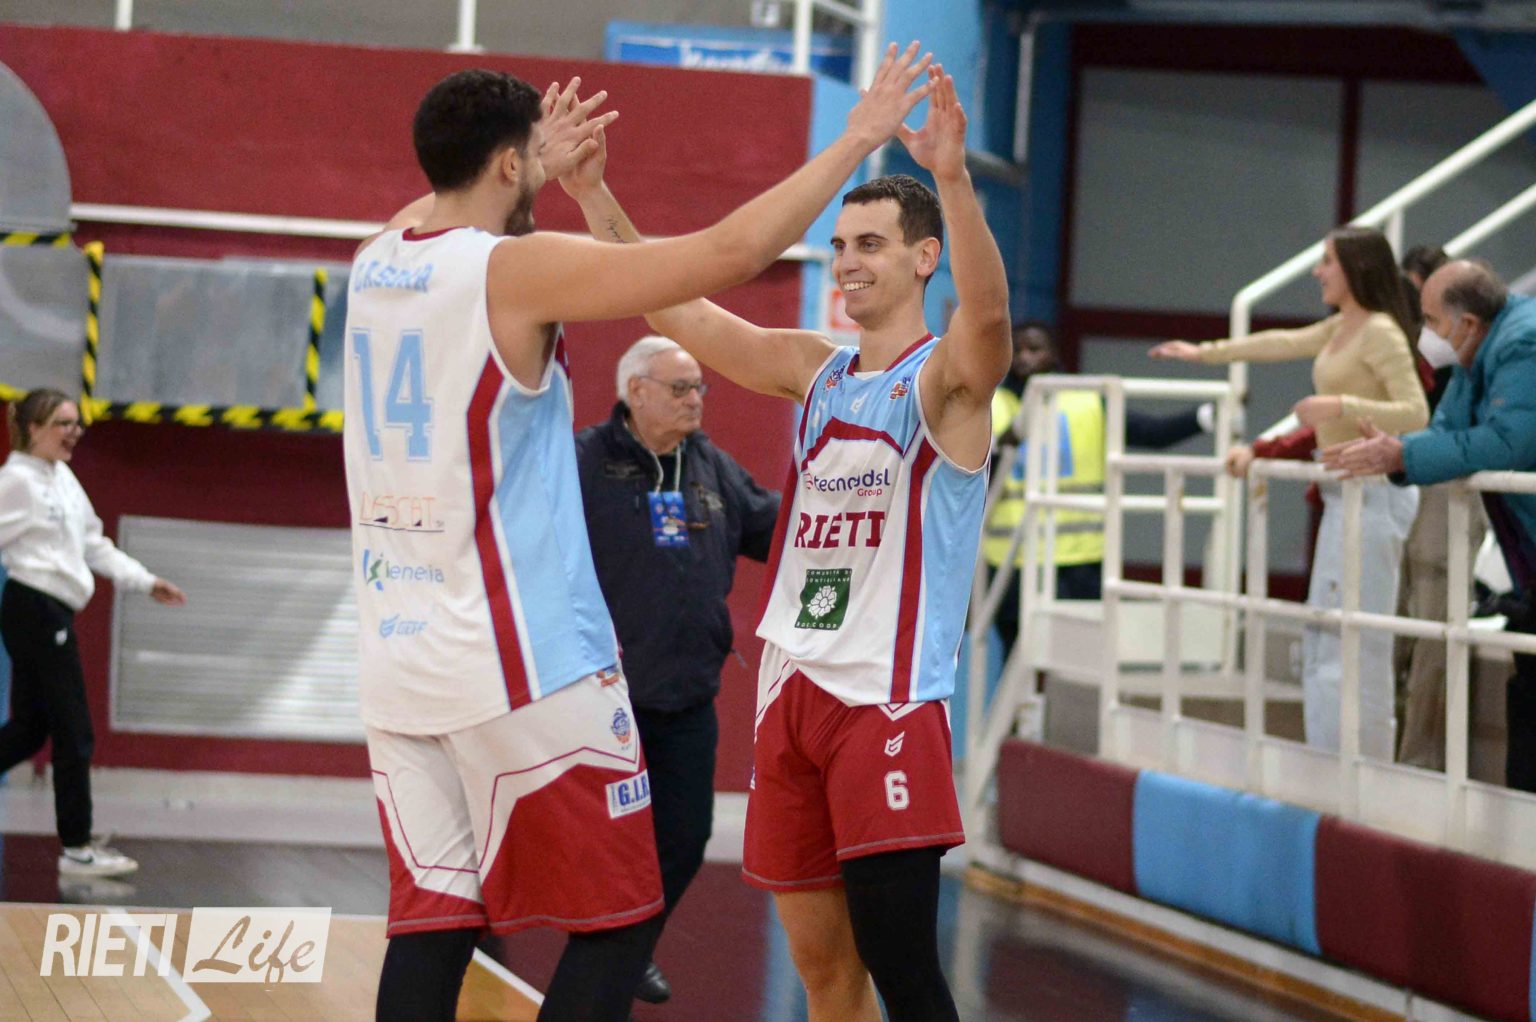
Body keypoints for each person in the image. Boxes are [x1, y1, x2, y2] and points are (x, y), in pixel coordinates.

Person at [345, 52, 935, 1022]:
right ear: (510, 163)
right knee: (624, 918)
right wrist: (858, 138)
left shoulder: (377, 257)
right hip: (522, 660)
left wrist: (542, 167)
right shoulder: (512, 268)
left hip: (397, 663)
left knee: (435, 922)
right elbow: (728, 253)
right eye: (527, 159)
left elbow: (445, 190)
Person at [566, 65, 1005, 1022]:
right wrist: (593, 192)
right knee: (822, 972)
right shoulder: (815, 369)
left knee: (904, 969)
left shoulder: (945, 385)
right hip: (790, 693)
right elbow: (676, 309)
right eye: (840, 245)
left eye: (871, 245)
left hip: (884, 699)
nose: (848, 262)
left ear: (925, 257)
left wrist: (954, 177)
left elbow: (989, 320)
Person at [1151, 225, 1429, 762]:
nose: (1318, 271)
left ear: (1356, 267)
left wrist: (1340, 406)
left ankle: (1367, 767)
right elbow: (1279, 343)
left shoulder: (1381, 333)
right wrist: (1203, 353)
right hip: (1342, 495)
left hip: (1376, 497)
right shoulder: (1341, 327)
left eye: (1327, 261)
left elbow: (1416, 413)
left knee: (1360, 643)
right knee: (1325, 634)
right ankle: (1328, 763)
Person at [575, 335, 779, 1005]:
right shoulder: (584, 461)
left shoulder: (708, 465)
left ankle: (627, 951)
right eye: (681, 388)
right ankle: (601, 961)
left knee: (686, 838)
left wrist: (843, 500)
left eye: (699, 388)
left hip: (688, 694)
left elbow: (771, 526)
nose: (696, 400)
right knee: (602, 843)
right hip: (602, 696)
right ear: (636, 392)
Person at [1324, 260, 1536, 791]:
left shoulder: (1522, 344)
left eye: (1430, 320)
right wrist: (1396, 449)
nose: (1425, 334)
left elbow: (1509, 444)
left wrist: (1404, 455)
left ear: (1468, 323)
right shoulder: (1477, 347)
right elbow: (1448, 426)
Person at [0, 388, 186, 877]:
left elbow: (93, 543)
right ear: (34, 428)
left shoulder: (62, 477)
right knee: (74, 731)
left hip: (52, 612)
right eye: (63, 423)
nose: (74, 432)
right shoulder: (16, 481)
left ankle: (77, 844)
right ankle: (77, 847)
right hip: (33, 608)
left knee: (29, 729)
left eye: (76, 423)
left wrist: (145, 581)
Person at [986, 319, 1218, 654]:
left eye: (1034, 349)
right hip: (1013, 560)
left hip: (1080, 561)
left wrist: (1206, 416)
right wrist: (1003, 444)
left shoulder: (1089, 401)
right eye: (1017, 350)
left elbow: (1153, 433)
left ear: (1054, 354)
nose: (1024, 357)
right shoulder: (990, 406)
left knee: (1080, 659)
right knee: (1018, 660)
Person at [1391, 244, 1484, 770]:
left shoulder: (1468, 355)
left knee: (1435, 635)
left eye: (1425, 311)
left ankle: (1420, 764)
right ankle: (1389, 755)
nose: (1418, 322)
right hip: (1404, 485)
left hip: (1446, 492)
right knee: (1395, 632)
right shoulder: (1404, 346)